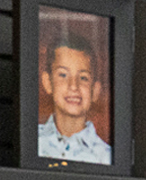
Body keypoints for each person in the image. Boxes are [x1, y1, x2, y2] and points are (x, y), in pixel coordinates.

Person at [35, 32, 110, 165]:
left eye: (83, 78)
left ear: (95, 90)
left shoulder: (106, 156)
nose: (73, 86)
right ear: (47, 82)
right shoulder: (31, 141)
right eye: (63, 75)